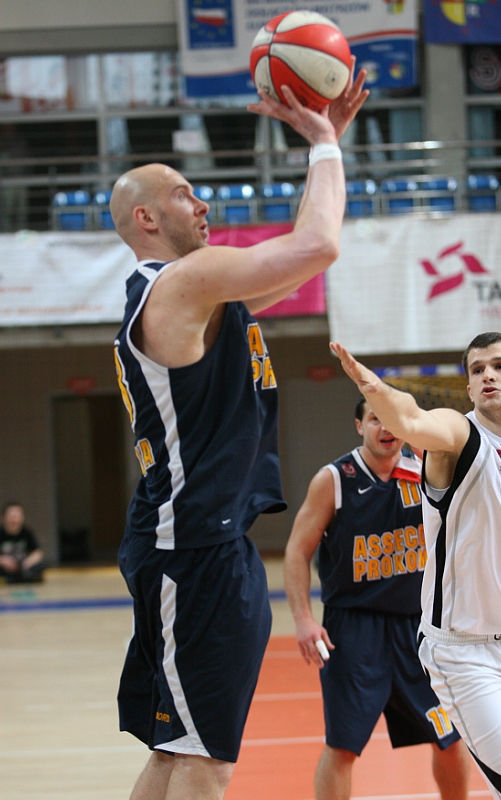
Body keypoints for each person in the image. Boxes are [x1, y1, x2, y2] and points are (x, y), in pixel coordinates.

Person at [109, 64, 369, 800]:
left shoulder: (199, 295)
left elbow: (299, 263)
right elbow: (319, 248)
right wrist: (321, 143)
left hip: (198, 543)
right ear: (145, 219)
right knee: (204, 761)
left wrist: (324, 152)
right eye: (182, 193)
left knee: (180, 752)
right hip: (191, 549)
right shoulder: (179, 285)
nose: (203, 202)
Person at [330, 332, 501, 800]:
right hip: (467, 655)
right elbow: (412, 419)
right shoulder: (459, 437)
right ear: (469, 388)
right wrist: (373, 387)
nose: (487, 375)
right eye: (477, 369)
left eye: (499, 366)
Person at [284, 398, 470, 800]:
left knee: (452, 738)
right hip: (354, 629)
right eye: (375, 419)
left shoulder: (427, 471)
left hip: (418, 628)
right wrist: (303, 619)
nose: (385, 428)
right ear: (359, 426)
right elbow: (297, 551)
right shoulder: (334, 479)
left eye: (391, 419)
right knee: (343, 746)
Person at [0, 502, 46, 583]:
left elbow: (37, 552)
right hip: (5, 567)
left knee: (42, 565)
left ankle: (19, 578)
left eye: (17, 516)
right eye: (11, 516)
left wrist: (27, 562)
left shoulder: (27, 532)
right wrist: (3, 561)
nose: (14, 520)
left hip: (22, 566)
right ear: (3, 517)